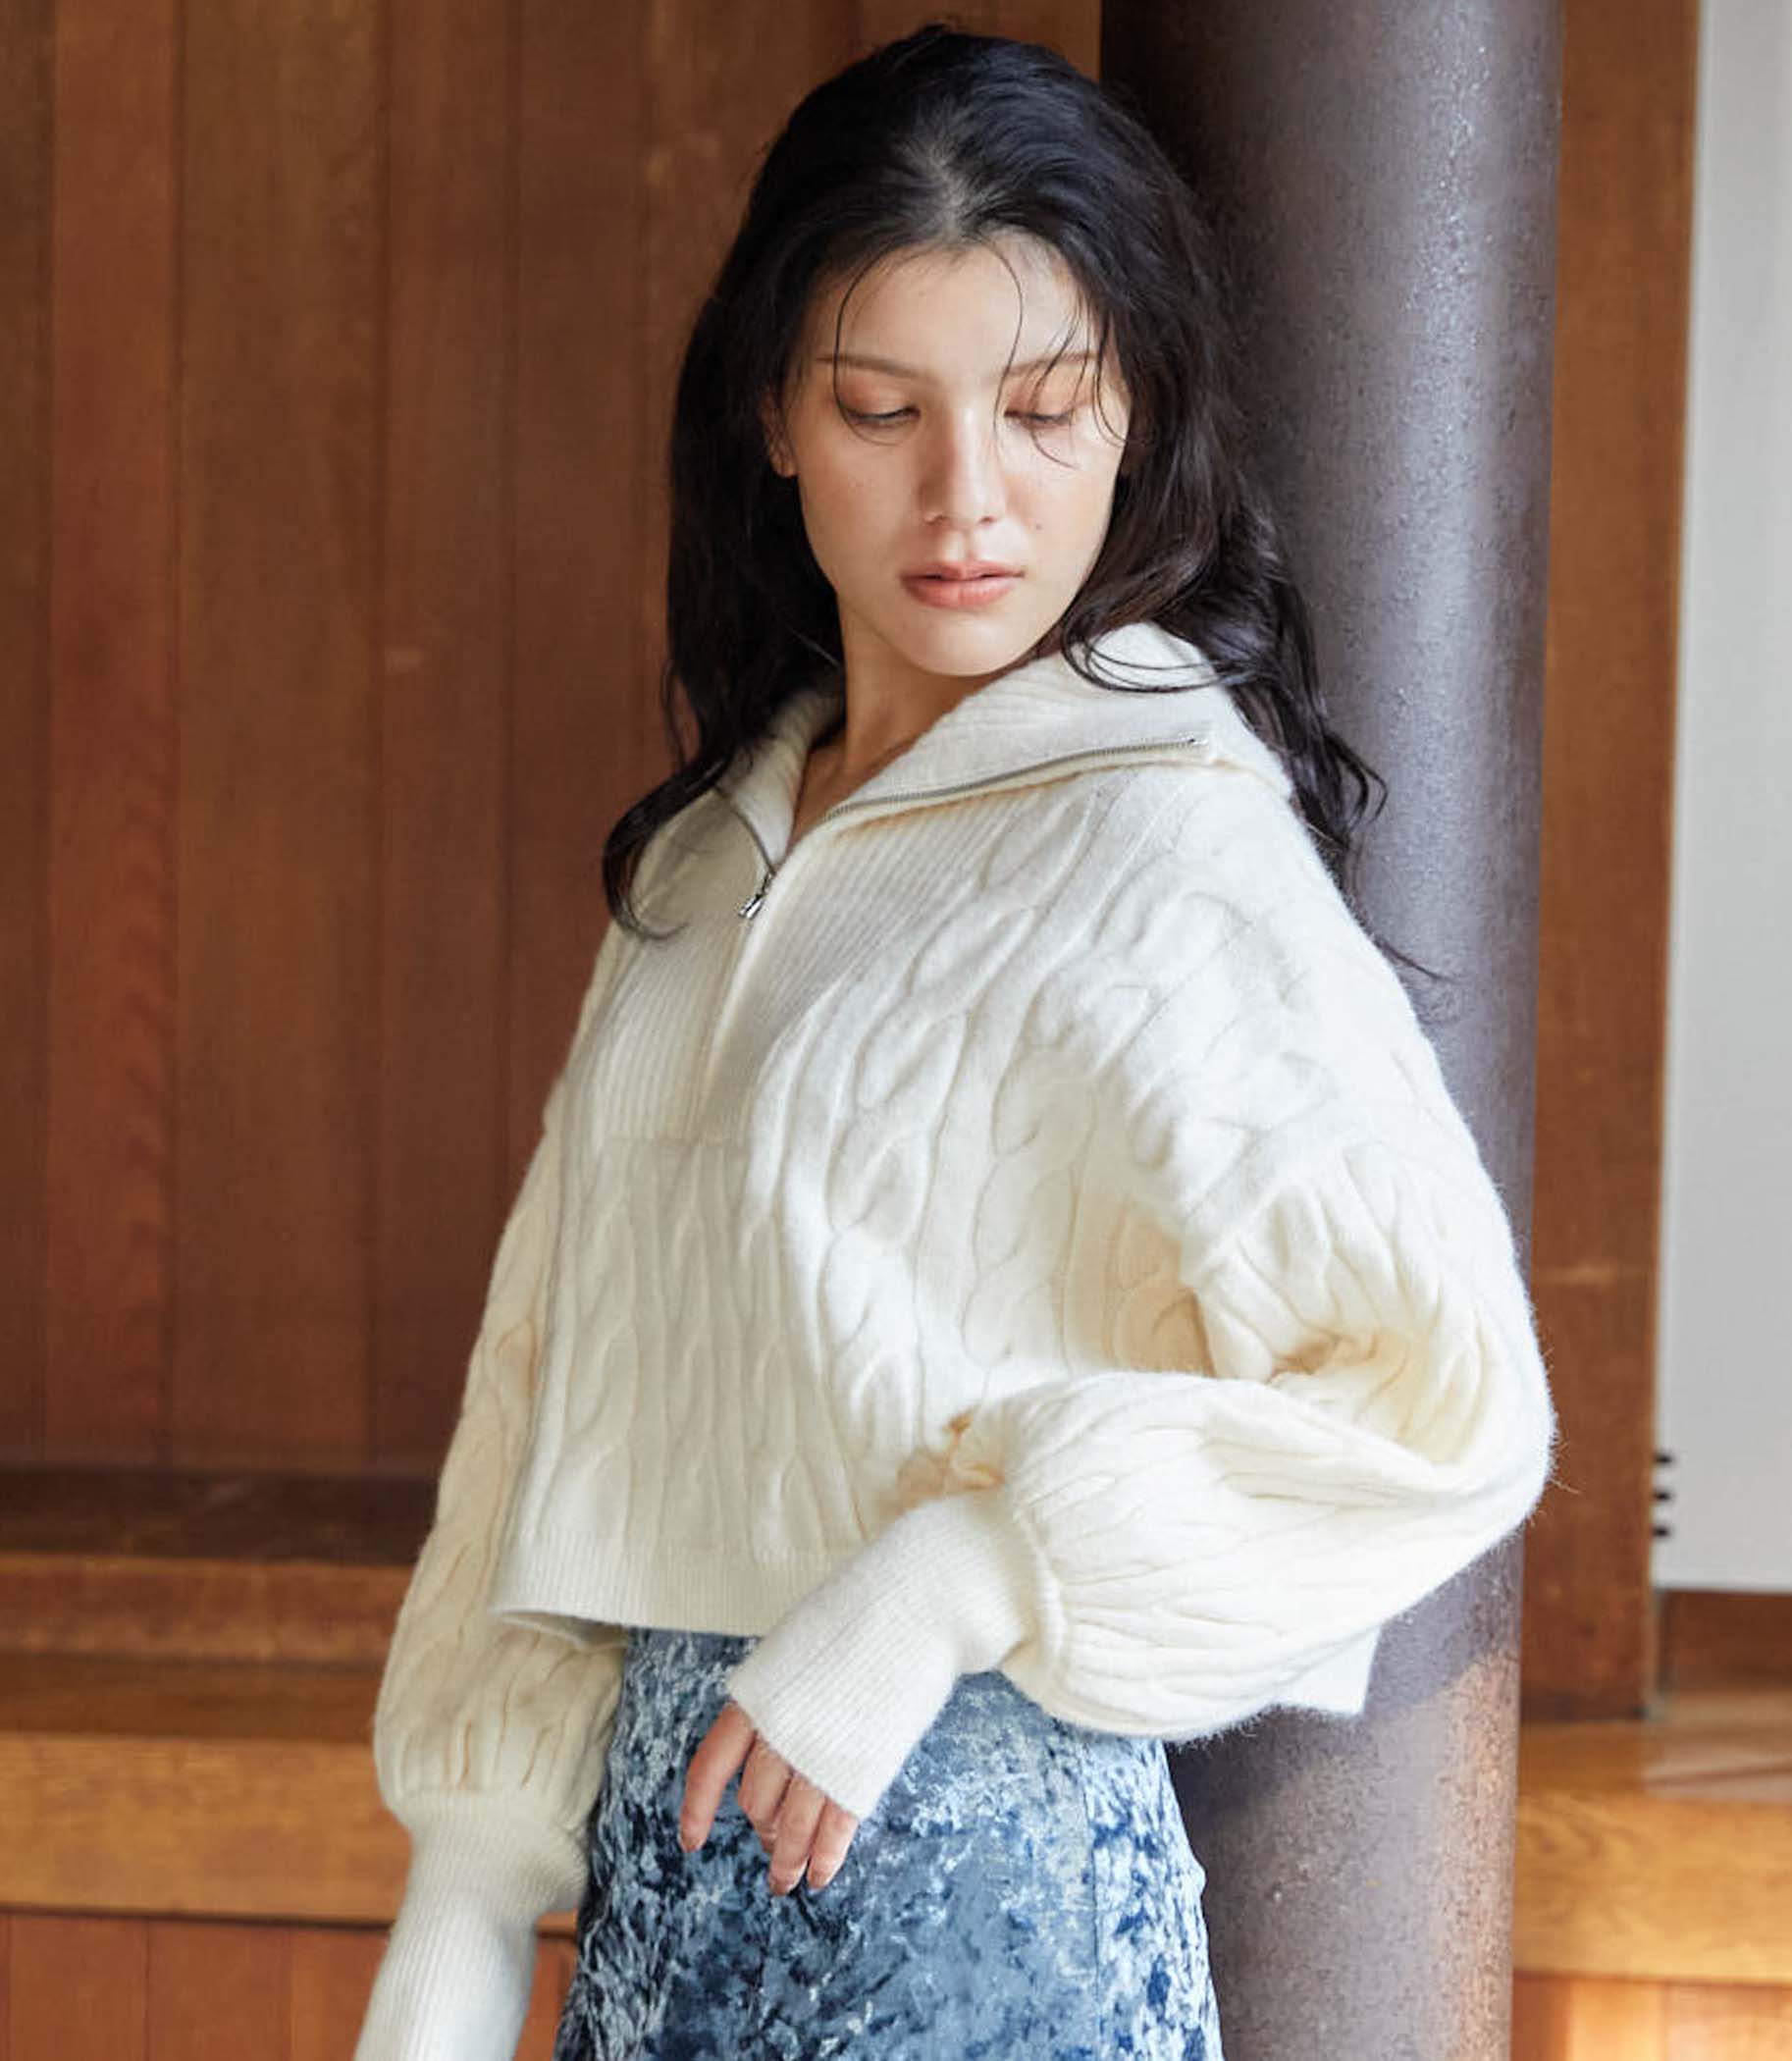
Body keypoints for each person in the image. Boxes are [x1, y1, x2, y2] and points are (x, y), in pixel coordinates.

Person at [351, 23, 1559, 2061]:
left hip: (984, 1895)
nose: (966, 497)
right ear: (774, 414)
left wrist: (961, 1574)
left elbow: (1447, 1408)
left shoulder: (1169, 841)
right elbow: (553, 1363)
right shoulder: (716, 850)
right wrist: (465, 1879)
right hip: (660, 1889)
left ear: (1133, 409)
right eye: (879, 408)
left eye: (1042, 408)